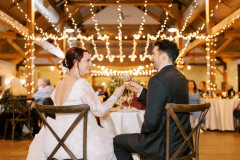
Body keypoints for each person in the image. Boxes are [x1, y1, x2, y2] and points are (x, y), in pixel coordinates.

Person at [27, 47, 125, 160]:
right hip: (80, 142)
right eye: (88, 60)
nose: (91, 64)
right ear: (75, 62)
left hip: (55, 141)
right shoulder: (81, 84)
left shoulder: (59, 83)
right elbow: (100, 111)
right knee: (115, 140)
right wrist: (115, 95)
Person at [113, 40, 192, 160]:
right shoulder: (181, 78)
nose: (151, 57)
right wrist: (142, 92)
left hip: (162, 145)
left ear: (163, 56)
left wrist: (143, 135)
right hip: (183, 142)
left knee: (117, 141)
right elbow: (167, 99)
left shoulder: (157, 80)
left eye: (154, 54)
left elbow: (150, 123)